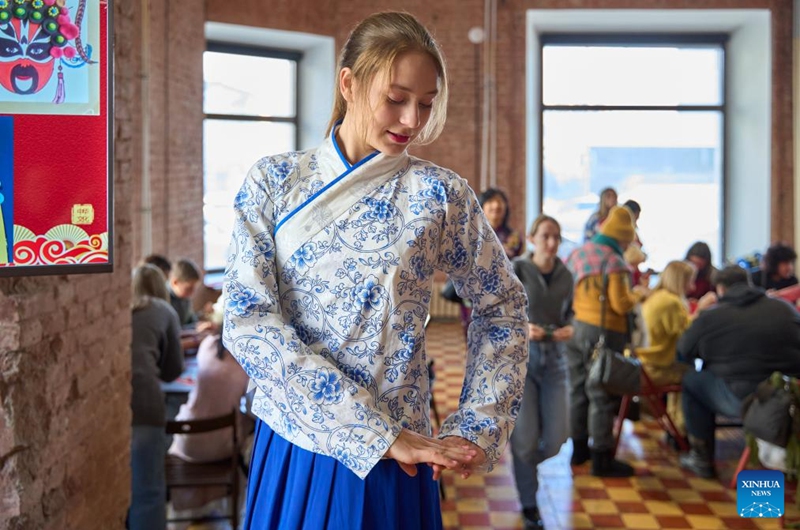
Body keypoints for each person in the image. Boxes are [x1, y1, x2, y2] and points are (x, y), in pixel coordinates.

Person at [222, 12, 528, 530]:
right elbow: (246, 321)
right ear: (349, 83)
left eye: (426, 104)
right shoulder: (273, 182)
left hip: (403, 459)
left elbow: (503, 308)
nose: (412, 121)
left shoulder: (440, 196)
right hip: (299, 442)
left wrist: (477, 422)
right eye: (396, 98)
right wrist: (370, 431)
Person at [677, 266, 800, 478]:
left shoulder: (710, 316)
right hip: (790, 396)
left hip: (742, 399)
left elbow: (682, 352)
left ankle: (701, 458)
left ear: (720, 289)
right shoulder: (785, 309)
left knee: (691, 381)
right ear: (749, 283)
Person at [566, 205, 648, 477]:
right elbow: (621, 303)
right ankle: (602, 457)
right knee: (601, 393)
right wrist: (639, 293)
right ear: (622, 238)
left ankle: (578, 450)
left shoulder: (578, 252)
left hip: (576, 328)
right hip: (604, 333)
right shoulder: (614, 261)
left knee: (578, 389)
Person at [510, 215, 573, 530]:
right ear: (532, 238)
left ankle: (526, 467)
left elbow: (570, 314)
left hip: (556, 364)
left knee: (558, 439)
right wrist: (523, 327)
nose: (552, 243)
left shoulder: (566, 275)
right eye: (546, 236)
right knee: (524, 441)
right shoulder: (518, 270)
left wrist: (569, 329)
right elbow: (501, 312)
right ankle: (529, 503)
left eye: (557, 237)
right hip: (522, 363)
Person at [129, 264, 184, 530]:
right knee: (147, 494)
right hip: (143, 404)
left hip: (105, 407)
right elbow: (173, 370)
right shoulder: (164, 310)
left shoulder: (118, 307)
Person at [637, 261, 716, 439]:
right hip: (655, 369)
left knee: (684, 368)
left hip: (644, 364)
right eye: (690, 281)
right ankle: (682, 431)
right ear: (681, 281)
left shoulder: (657, 296)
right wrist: (701, 309)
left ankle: (675, 427)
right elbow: (687, 334)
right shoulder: (671, 302)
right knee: (691, 377)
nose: (693, 286)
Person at [478, 188, 523, 259]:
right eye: (490, 201)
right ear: (481, 207)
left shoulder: (513, 237)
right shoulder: (475, 233)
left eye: (499, 201)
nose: (496, 205)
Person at [168, 258, 202, 327]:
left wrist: (199, 325)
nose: (192, 293)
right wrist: (195, 328)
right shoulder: (164, 299)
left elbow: (191, 320)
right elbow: (174, 330)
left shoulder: (185, 298)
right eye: (189, 288)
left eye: (194, 289)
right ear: (175, 282)